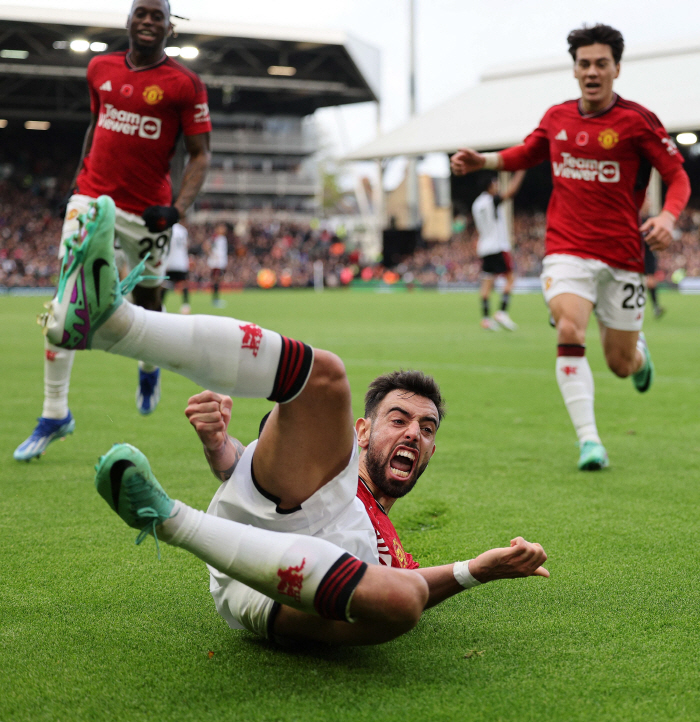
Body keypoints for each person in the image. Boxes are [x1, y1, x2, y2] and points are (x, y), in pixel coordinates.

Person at [43, 195, 548, 646]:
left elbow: (415, 583)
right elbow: (268, 461)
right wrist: (222, 449)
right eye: (399, 418)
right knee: (325, 376)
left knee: (404, 602)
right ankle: (115, 323)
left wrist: (479, 570)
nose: (414, 432)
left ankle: (165, 517)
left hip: (275, 594)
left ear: (432, 452)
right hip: (286, 510)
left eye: (427, 428)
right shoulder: (338, 468)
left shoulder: (391, 546)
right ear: (365, 430)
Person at [451, 23, 690, 471]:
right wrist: (483, 160)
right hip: (567, 250)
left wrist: (667, 217)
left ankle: (640, 359)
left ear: (617, 68)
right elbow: (527, 152)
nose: (592, 71)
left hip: (622, 256)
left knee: (619, 363)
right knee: (569, 329)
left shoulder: (638, 121)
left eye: (602, 63)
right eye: (584, 64)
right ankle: (590, 441)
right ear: (575, 70)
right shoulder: (558, 117)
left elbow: (678, 176)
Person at [14, 0, 211, 459]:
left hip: (148, 213)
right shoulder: (99, 68)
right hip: (91, 200)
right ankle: (54, 412)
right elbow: (96, 123)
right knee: (65, 306)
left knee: (148, 299)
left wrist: (177, 209)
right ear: (128, 20)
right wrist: (78, 181)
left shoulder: (184, 83)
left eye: (156, 15)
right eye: (140, 12)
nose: (147, 20)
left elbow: (200, 154)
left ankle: (148, 364)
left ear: (168, 27)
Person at [471, 170, 526, 331]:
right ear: (490, 185)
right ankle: (502, 311)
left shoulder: (476, 203)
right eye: (495, 183)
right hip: (497, 245)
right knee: (510, 278)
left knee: (487, 282)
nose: (497, 186)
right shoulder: (491, 201)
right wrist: (521, 171)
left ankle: (486, 318)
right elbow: (510, 192)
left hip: (484, 246)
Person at [162, 220, 191, 314]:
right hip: (182, 261)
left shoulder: (168, 229)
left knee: (165, 284)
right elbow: (186, 245)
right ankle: (186, 305)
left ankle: (160, 305)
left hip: (171, 262)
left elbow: (166, 246)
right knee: (183, 284)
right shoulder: (183, 230)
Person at [207, 223, 229, 308]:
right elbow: (206, 245)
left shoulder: (222, 238)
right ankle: (215, 300)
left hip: (220, 263)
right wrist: (212, 255)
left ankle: (216, 299)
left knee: (218, 281)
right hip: (216, 263)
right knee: (216, 281)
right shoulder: (215, 238)